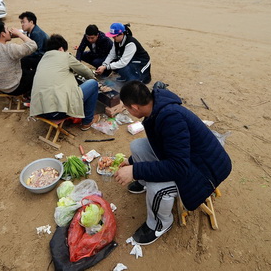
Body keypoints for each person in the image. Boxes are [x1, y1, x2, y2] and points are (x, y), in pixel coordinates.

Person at [114, 81, 232, 245]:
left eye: (127, 108)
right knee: (137, 146)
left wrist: (134, 171)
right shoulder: (156, 108)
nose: (128, 111)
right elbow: (163, 146)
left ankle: (160, 224)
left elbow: (178, 168)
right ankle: (143, 183)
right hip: (190, 159)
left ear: (134, 107)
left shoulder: (171, 118)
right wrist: (132, 163)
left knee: (157, 188)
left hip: (205, 171)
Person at [30, 34, 100, 131]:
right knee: (93, 84)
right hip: (58, 113)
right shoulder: (65, 56)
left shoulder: (42, 60)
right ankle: (87, 122)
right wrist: (95, 79)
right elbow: (86, 71)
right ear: (61, 48)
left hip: (40, 111)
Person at [0, 20, 37, 97]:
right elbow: (33, 45)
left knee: (26, 60)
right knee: (40, 71)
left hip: (0, 87)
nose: (9, 31)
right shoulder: (9, 48)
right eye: (7, 29)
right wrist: (19, 34)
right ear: (3, 34)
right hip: (16, 87)